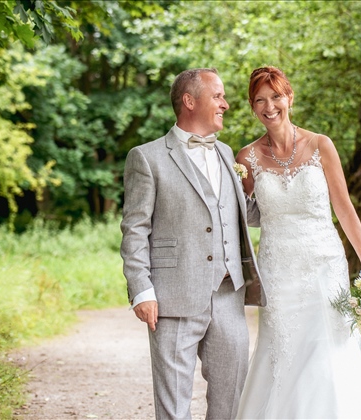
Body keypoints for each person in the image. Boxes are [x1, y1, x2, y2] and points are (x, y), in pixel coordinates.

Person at [235, 66, 361, 419]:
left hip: (325, 264)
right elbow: (235, 216)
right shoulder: (245, 158)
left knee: (330, 347)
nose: (269, 106)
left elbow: (345, 208)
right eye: (260, 100)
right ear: (252, 107)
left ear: (289, 97)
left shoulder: (321, 145)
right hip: (278, 270)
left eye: (276, 96)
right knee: (282, 350)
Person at [120, 68, 265, 419]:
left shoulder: (228, 153)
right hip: (173, 297)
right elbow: (135, 228)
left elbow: (245, 213)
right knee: (173, 406)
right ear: (189, 101)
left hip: (228, 294)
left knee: (231, 397)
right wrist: (142, 290)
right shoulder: (147, 157)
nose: (226, 104)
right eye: (217, 96)